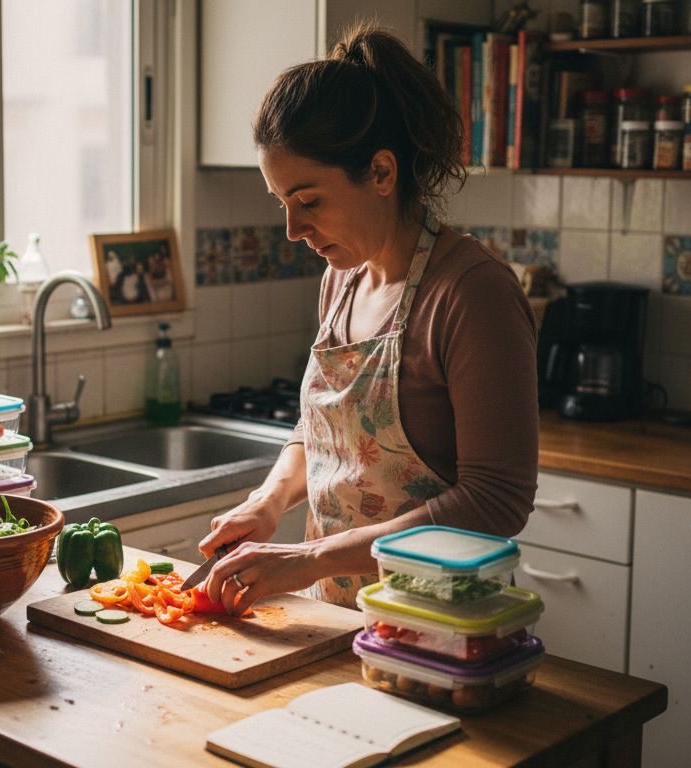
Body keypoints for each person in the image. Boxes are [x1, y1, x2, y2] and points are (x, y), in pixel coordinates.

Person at [198, 24, 538, 613]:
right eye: (283, 204)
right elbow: (329, 433)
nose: (292, 230)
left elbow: (496, 501)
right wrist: (270, 500)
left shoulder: (471, 293)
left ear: (382, 173)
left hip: (434, 626)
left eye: (310, 201)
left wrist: (307, 560)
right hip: (331, 618)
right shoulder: (342, 279)